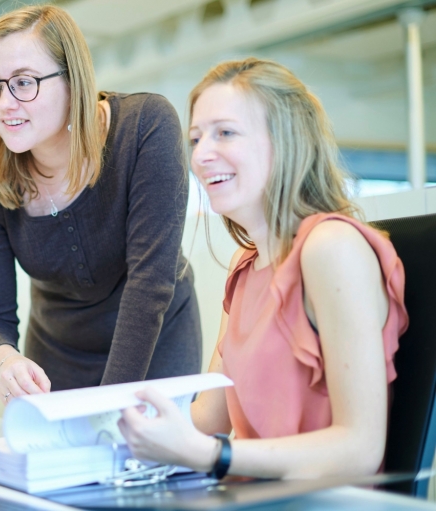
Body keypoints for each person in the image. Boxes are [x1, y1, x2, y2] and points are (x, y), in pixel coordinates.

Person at [118, 58, 408, 478]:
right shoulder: (245, 266)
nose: (200, 156)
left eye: (225, 133)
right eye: (196, 139)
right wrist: (119, 422)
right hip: (250, 496)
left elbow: (359, 448)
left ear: (285, 141)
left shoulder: (333, 247)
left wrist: (211, 456)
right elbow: (208, 420)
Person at [0, 5, 202, 401]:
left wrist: (107, 406)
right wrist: (6, 361)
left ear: (71, 81)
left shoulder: (144, 126)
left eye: (24, 82)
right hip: (56, 355)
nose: (3, 103)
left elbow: (149, 285)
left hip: (152, 345)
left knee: (147, 458)